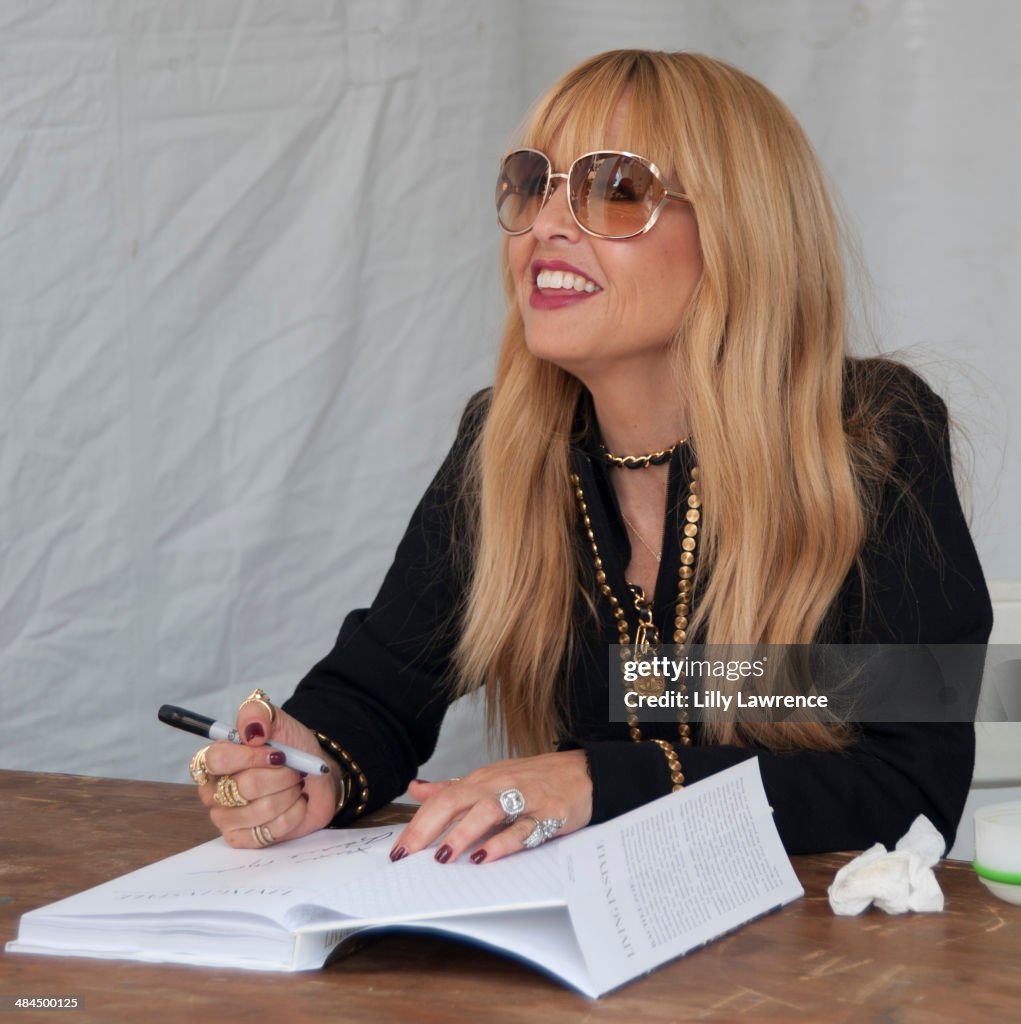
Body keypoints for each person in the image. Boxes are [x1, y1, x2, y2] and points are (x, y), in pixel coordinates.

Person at [191, 50, 992, 864]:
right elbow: (380, 688)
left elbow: (905, 786)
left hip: (815, 968)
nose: (545, 223)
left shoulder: (867, 435)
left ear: (740, 232)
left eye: (614, 189)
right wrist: (308, 764)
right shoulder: (507, 444)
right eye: (533, 183)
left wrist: (598, 782)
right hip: (583, 955)